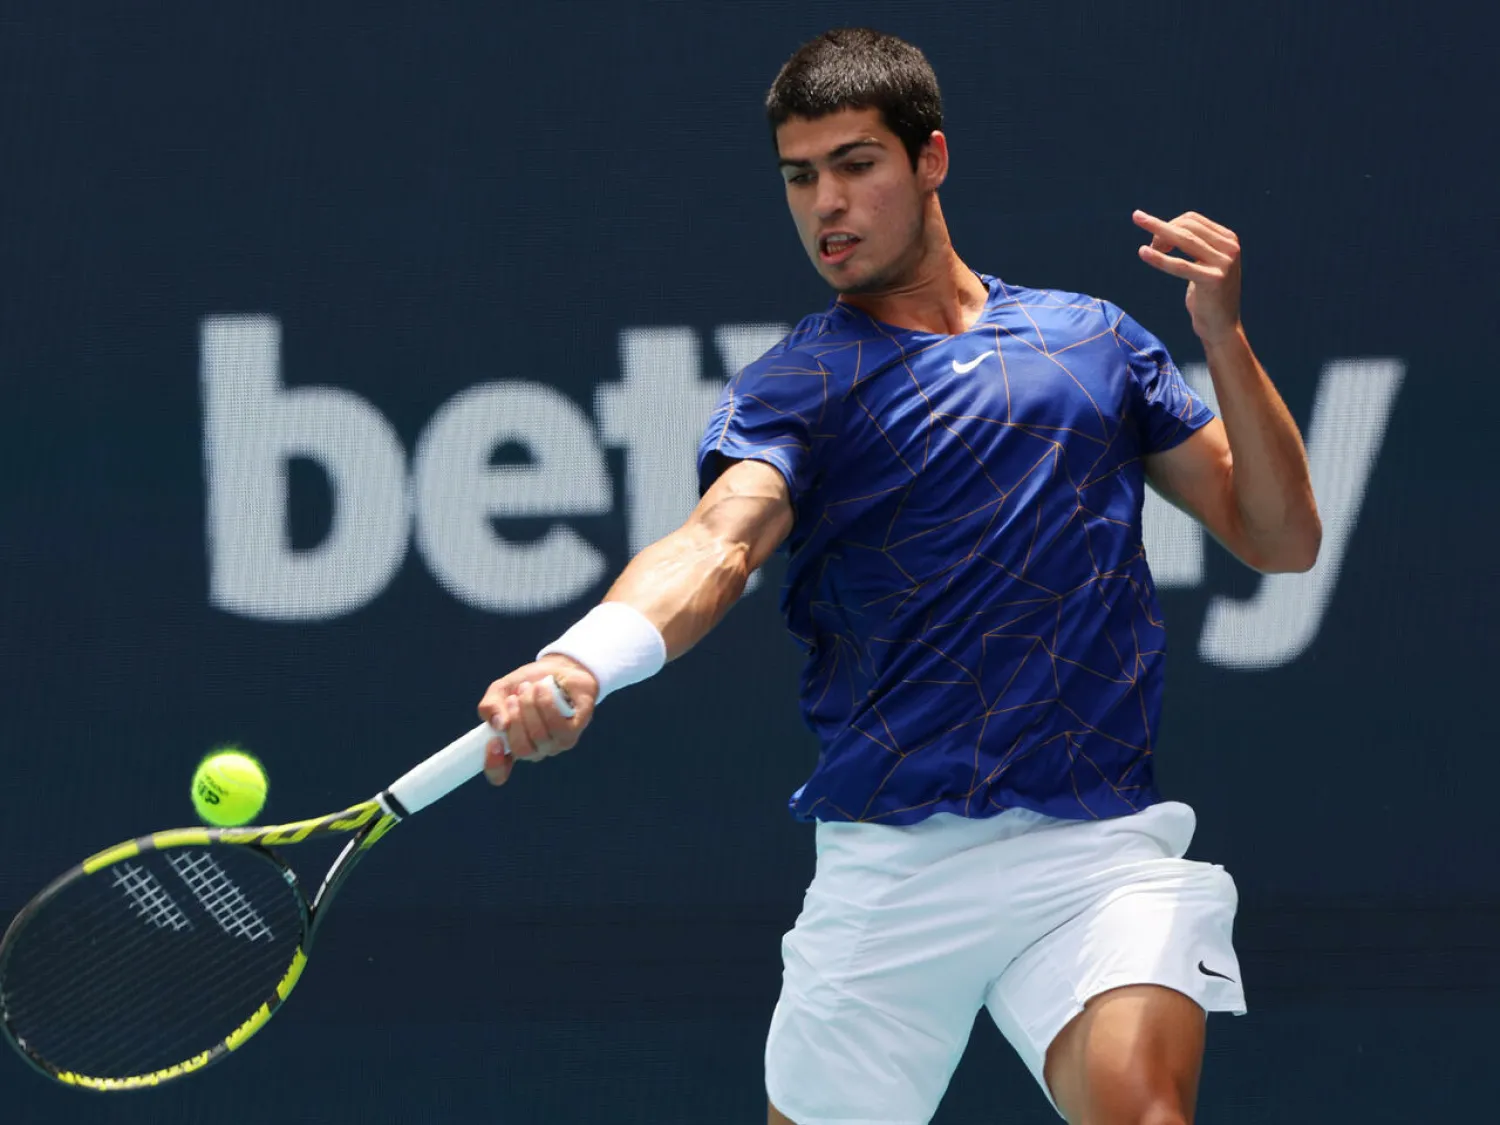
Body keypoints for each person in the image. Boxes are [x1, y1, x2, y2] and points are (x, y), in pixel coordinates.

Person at [476, 27, 1320, 1125]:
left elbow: (1281, 537)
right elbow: (718, 545)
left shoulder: (1091, 344)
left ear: (930, 162)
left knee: (1144, 1113)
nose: (826, 203)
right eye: (799, 176)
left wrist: (1225, 336)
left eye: (855, 164)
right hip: (893, 869)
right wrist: (585, 657)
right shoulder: (801, 384)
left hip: (1096, 850)